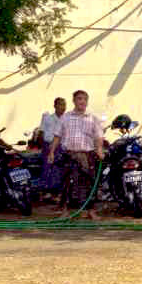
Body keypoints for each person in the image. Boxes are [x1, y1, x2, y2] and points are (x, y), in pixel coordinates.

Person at [53, 89, 105, 218]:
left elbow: (99, 137)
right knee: (66, 184)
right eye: (79, 98)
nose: (82, 101)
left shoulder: (93, 118)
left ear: (87, 102)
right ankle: (65, 211)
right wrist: (51, 152)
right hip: (69, 155)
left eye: (84, 99)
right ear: (74, 101)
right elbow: (57, 135)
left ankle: (91, 211)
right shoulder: (66, 117)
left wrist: (99, 150)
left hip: (87, 155)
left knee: (90, 183)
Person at [34, 96, 67, 199]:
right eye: (60, 104)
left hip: (61, 147)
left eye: (64, 105)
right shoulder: (47, 118)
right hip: (48, 146)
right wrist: (43, 146)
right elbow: (41, 132)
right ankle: (45, 191)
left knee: (58, 170)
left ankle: (56, 193)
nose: (63, 107)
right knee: (47, 168)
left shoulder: (67, 119)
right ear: (55, 106)